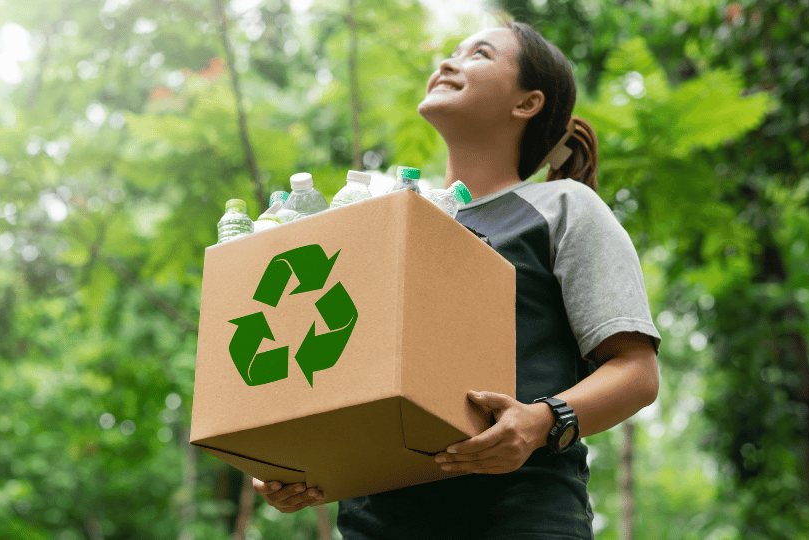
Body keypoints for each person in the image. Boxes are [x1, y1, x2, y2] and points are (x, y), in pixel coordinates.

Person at [252, 17, 661, 540]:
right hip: (375, 525)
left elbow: (636, 370)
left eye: (479, 54)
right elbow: (337, 368)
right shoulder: (386, 224)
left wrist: (541, 422)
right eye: (450, 53)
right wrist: (297, 461)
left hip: (518, 517)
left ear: (526, 103)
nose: (447, 63)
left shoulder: (561, 207)